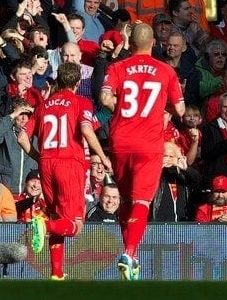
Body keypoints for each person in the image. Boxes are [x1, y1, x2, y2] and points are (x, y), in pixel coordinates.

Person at [100, 23, 185, 281]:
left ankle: (131, 261)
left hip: (121, 141)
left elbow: (104, 98)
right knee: (141, 201)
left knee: (125, 201)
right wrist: (161, 110)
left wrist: (125, 109)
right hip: (148, 144)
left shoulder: (117, 67)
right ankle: (129, 252)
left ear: (131, 43)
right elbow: (181, 110)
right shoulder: (166, 70)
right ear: (154, 44)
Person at [17, 62, 112, 280]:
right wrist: (104, 157)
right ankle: (44, 225)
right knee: (75, 226)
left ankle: (57, 273)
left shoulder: (43, 105)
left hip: (46, 164)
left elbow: (22, 137)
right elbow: (87, 129)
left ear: (58, 80)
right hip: (69, 164)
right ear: (78, 82)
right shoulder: (80, 102)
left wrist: (39, 157)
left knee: (58, 216)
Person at [0, 97, 38, 194]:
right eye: (20, 114)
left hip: (28, 190)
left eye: (27, 114)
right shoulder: (6, 132)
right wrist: (13, 114)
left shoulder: (35, 134)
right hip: (6, 189)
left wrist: (35, 111)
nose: (24, 118)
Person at [150, 141, 201, 222]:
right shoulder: (155, 175)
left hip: (182, 224)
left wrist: (186, 169)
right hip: (159, 225)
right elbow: (146, 185)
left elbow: (197, 181)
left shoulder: (182, 177)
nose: (168, 159)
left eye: (171, 156)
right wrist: (157, 169)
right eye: (165, 156)